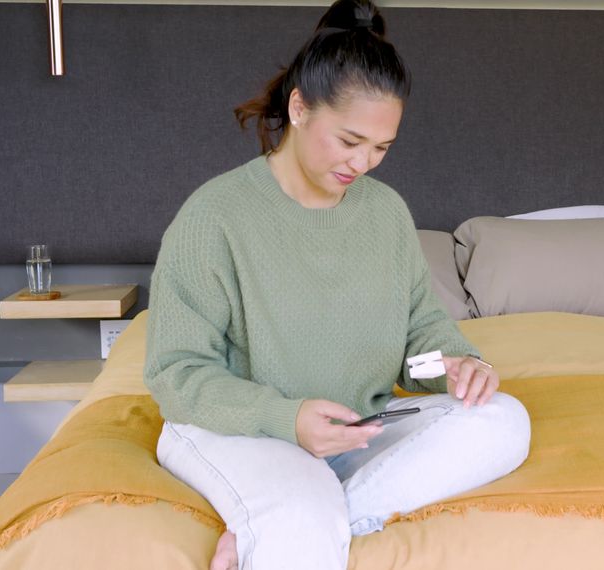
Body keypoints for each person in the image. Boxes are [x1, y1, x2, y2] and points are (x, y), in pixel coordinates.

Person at [144, 1, 531, 568]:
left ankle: (276, 528)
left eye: (381, 148)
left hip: (355, 431)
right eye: (349, 141)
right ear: (299, 107)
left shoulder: (385, 213)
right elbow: (176, 374)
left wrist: (449, 368)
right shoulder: (215, 217)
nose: (364, 163)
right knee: (302, 511)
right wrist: (287, 421)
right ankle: (295, 517)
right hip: (241, 430)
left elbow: (414, 345)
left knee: (504, 420)